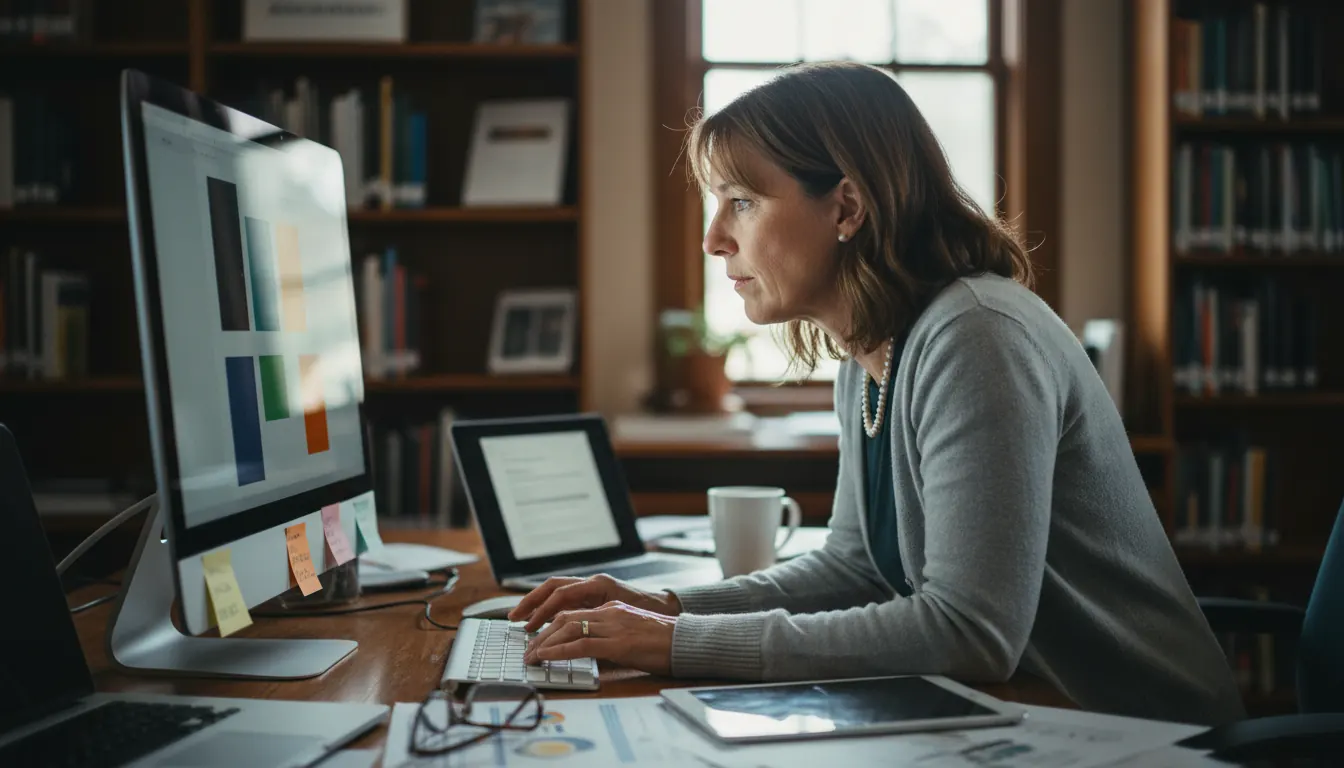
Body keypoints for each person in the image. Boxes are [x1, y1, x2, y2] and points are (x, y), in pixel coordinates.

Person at [508, 61, 1244, 726]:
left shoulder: (976, 337)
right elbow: (852, 567)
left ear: (847, 207)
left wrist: (684, 642)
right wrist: (661, 606)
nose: (712, 240)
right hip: (1025, 712)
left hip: (1139, 729)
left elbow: (969, 632)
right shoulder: (871, 349)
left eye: (740, 202)